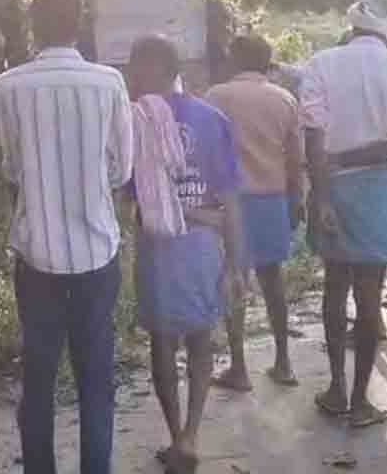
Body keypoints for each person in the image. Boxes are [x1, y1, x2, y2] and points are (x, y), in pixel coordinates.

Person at [0, 0, 133, 474]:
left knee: (39, 374)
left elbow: (10, 169)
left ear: (34, 23)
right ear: (81, 23)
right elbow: (121, 169)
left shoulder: (8, 85)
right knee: (96, 377)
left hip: (36, 254)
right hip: (98, 251)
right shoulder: (108, 83)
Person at [300, 0, 387, 428]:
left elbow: (313, 135)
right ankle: (360, 403)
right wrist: (353, 159)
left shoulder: (321, 63)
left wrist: (320, 193)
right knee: (369, 295)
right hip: (380, 190)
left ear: (351, 24)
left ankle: (335, 389)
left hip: (329, 185)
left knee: (334, 289)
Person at [125, 35, 243, 474]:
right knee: (199, 338)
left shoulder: (133, 121)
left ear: (152, 68)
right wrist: (235, 261)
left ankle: (178, 435)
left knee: (162, 343)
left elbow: (125, 193)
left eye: (134, 69)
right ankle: (191, 435)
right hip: (201, 244)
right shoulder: (211, 119)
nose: (130, 78)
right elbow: (230, 199)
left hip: (158, 246)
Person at [206, 35, 303, 390]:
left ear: (234, 59)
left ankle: (239, 367)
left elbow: (206, 150)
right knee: (273, 281)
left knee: (234, 281)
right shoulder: (284, 99)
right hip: (272, 198)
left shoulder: (217, 97)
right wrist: (298, 200)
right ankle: (284, 361)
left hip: (230, 201)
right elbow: (295, 159)